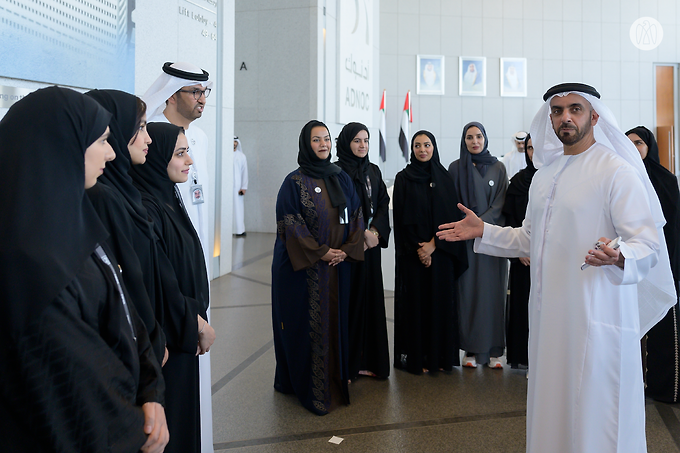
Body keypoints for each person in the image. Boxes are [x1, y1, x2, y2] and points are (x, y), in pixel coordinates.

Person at [437, 83, 676, 452]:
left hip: (597, 319)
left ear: (594, 116)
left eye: (575, 109)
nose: (565, 117)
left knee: (600, 419)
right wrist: (484, 230)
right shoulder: (545, 176)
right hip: (549, 323)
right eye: (558, 110)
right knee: (552, 414)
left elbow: (646, 242)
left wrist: (620, 255)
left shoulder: (616, 171)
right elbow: (532, 239)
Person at [0, 86, 168, 452]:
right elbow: (79, 392)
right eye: (103, 140)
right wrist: (139, 424)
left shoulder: (74, 220)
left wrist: (151, 387)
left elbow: (124, 308)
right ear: (63, 145)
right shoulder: (29, 264)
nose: (111, 151)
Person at [143, 61, 215, 453]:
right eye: (195, 92)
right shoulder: (153, 137)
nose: (203, 100)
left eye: (206, 93)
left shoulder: (198, 139)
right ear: (172, 95)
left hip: (194, 279)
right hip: (173, 299)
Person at [271, 120, 364, 415]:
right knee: (305, 329)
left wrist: (345, 251)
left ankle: (334, 382)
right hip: (303, 271)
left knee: (334, 324)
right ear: (305, 144)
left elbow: (357, 215)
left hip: (338, 266)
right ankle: (309, 389)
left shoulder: (341, 177)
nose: (323, 144)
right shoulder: (294, 182)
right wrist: (322, 253)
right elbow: (290, 225)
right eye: (316, 140)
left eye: (326, 139)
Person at [84, 89, 166, 367]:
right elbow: (126, 280)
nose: (148, 138)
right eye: (140, 127)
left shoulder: (125, 191)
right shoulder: (104, 197)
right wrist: (150, 342)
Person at [392, 131, 468, 375]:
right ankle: (418, 358)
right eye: (417, 145)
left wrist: (433, 245)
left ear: (434, 147)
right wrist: (420, 248)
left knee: (439, 304)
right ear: (411, 149)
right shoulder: (403, 178)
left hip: (441, 254)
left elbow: (451, 218)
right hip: (414, 257)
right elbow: (401, 218)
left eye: (427, 145)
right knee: (417, 307)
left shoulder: (445, 178)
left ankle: (440, 357)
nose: (422, 149)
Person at [626, 126, 680, 403]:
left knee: (662, 329)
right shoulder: (619, 176)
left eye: (638, 143)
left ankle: (663, 388)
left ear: (649, 146)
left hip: (663, 262)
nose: (633, 148)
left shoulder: (665, 180)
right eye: (628, 143)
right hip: (625, 263)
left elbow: (671, 228)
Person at [449, 122, 508, 369]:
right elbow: (451, 201)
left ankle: (495, 350)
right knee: (468, 295)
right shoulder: (455, 168)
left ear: (486, 138)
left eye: (479, 136)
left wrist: (480, 224)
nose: (475, 141)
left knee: (493, 295)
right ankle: (471, 349)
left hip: (492, 240)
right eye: (470, 137)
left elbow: (500, 204)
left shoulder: (499, 167)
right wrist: (469, 227)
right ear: (464, 141)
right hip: (465, 242)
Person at [335, 122, 391, 380]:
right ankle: (348, 363)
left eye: (366, 141)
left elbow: (382, 203)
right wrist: (362, 236)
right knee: (351, 303)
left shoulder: (374, 171)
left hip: (372, 247)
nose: (362, 145)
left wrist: (376, 233)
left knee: (371, 302)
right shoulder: (336, 172)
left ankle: (370, 360)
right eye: (357, 140)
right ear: (347, 142)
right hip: (350, 249)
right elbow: (338, 212)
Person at [501, 134, 535, 369]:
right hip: (523, 259)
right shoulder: (519, 182)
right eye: (530, 148)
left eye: (536, 147)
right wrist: (520, 251)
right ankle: (521, 356)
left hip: (551, 260)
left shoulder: (558, 179)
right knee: (522, 304)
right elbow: (510, 220)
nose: (533, 152)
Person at [233, 136, 249, 237]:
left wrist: (244, 187)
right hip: (226, 188)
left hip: (238, 187)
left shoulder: (241, 156)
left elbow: (244, 172)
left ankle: (239, 230)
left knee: (238, 208)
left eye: (235, 142)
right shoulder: (225, 155)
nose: (234, 144)